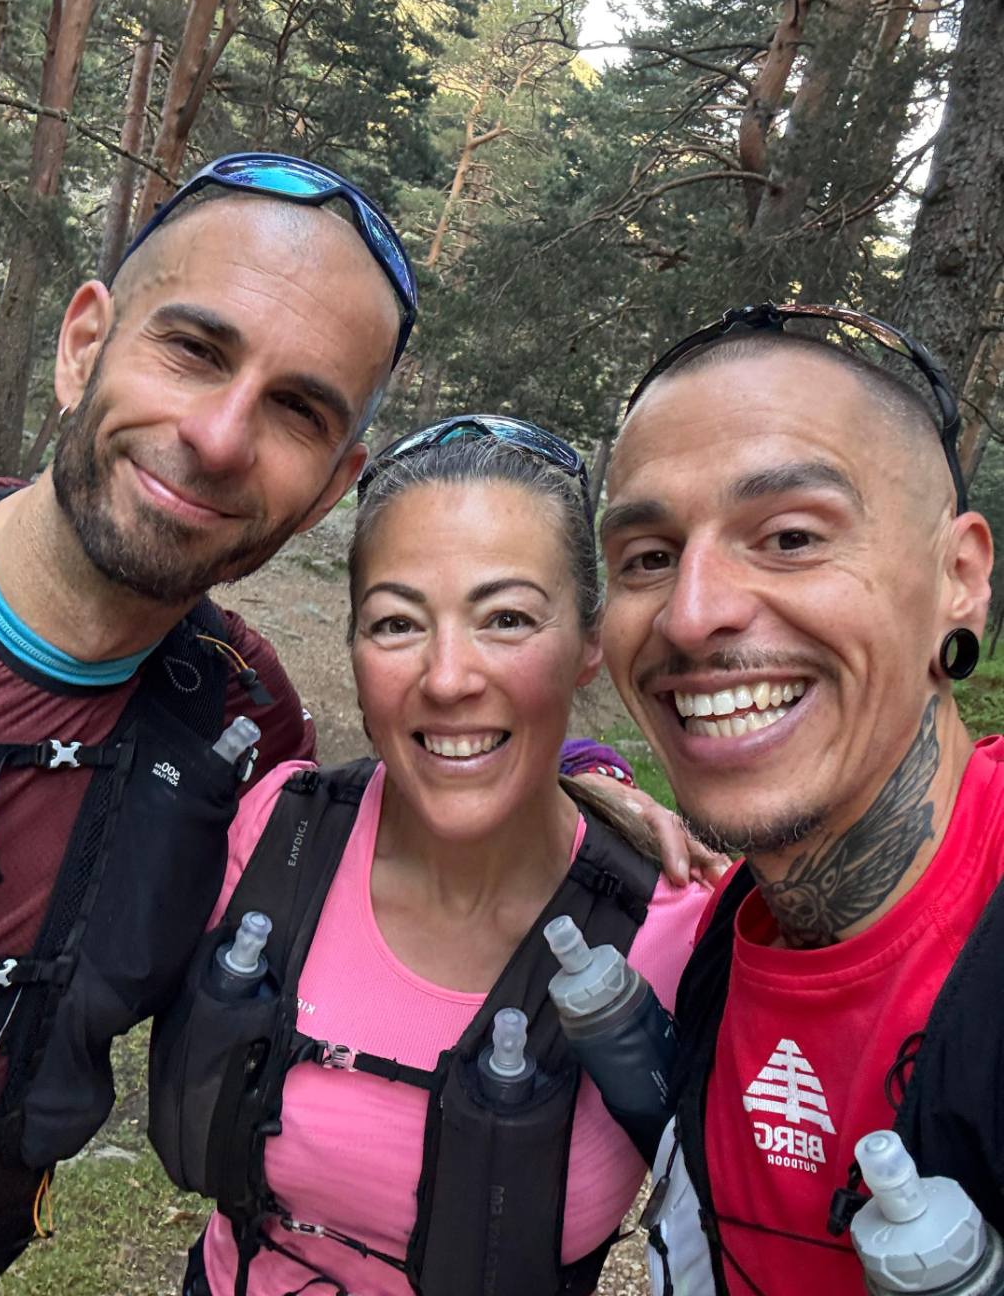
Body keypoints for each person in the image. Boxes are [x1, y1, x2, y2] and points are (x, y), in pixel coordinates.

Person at [0, 152, 419, 1295]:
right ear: (83, 345)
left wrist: (575, 777)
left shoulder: (244, 725)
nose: (221, 435)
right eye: (194, 349)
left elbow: (417, 874)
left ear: (331, 487)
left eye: (297, 409)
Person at [150, 418, 711, 1296]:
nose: (448, 677)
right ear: (354, 650)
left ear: (589, 643)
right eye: (397, 623)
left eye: (507, 619)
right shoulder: (272, 836)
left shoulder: (682, 934)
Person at [597, 302, 1000, 1296]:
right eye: (648, 557)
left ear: (958, 577)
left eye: (788, 536)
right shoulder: (736, 931)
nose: (691, 614)